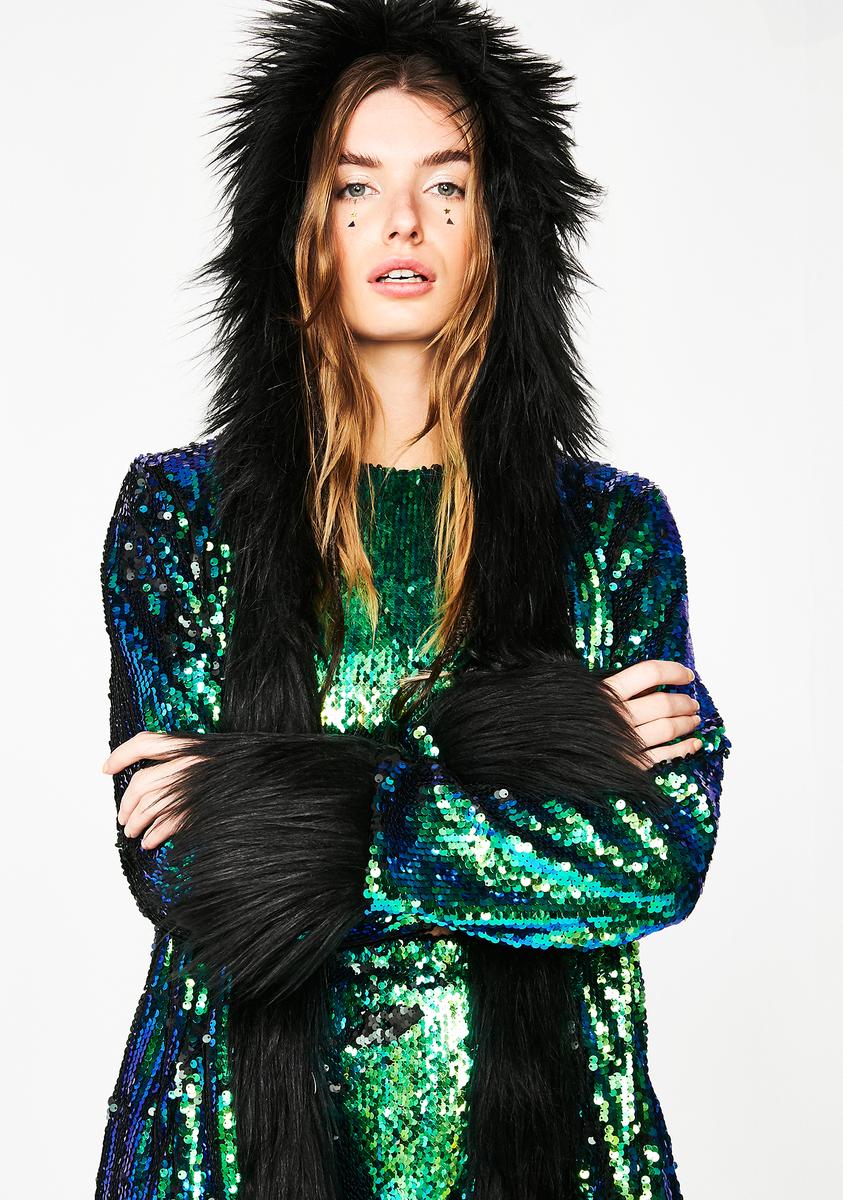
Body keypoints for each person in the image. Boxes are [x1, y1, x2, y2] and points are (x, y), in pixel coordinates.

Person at [96, 2, 731, 1198]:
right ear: (298, 225)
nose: (403, 223)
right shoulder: (182, 516)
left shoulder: (611, 530)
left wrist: (290, 803)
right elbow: (194, 873)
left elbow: (655, 859)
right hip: (231, 1150)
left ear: (499, 226)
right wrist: (541, 749)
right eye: (356, 188)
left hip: (548, 1148)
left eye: (447, 186)